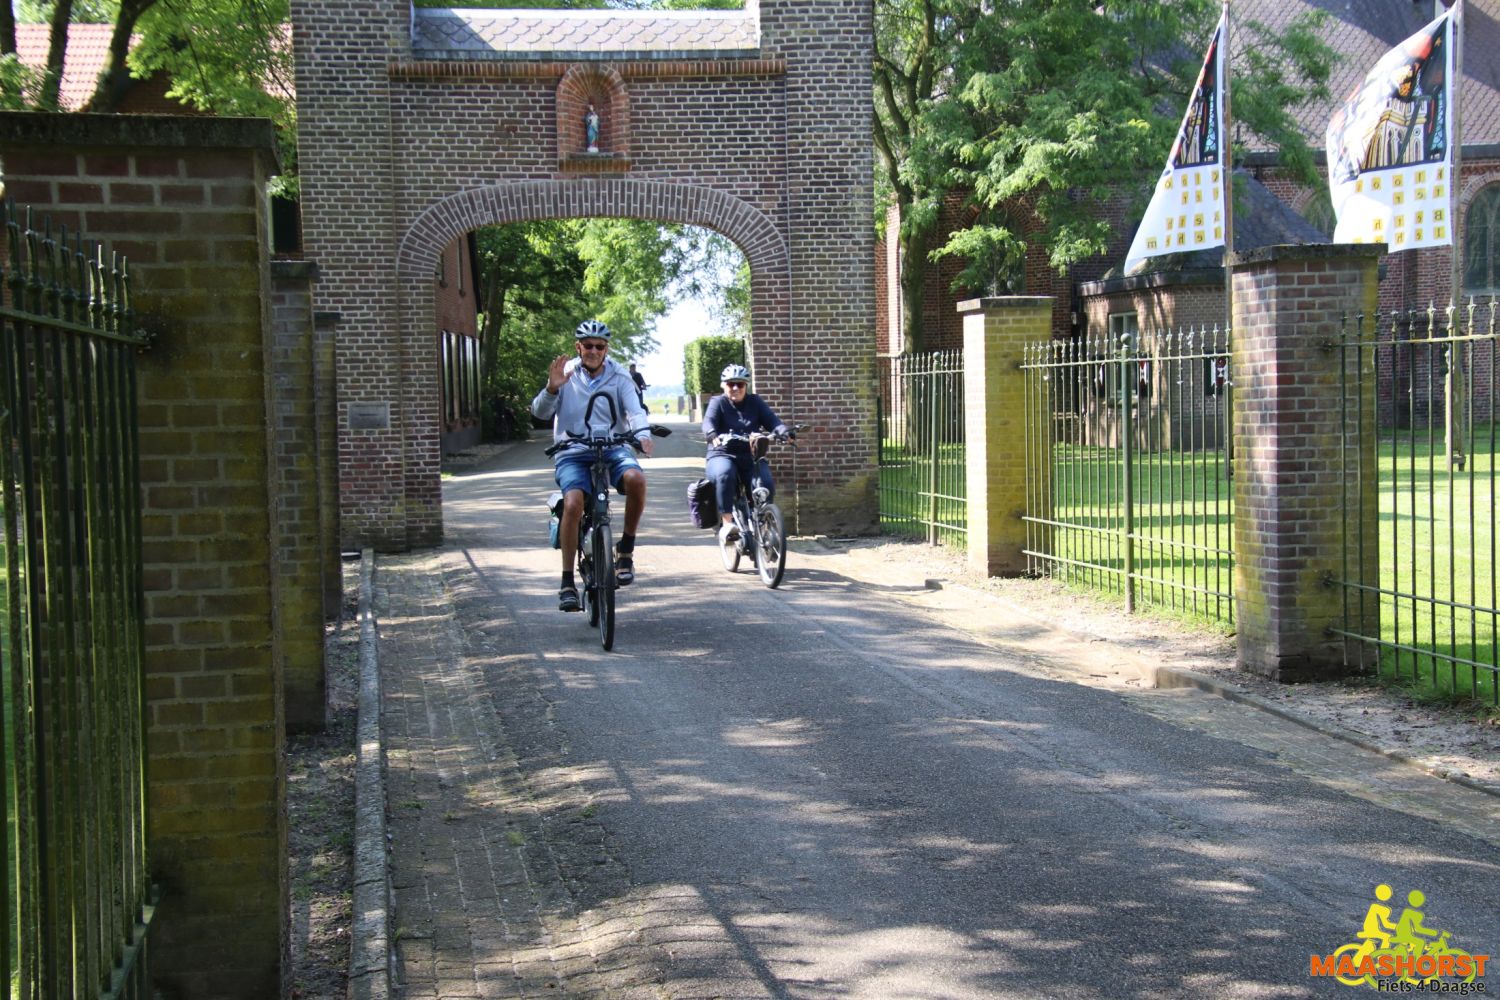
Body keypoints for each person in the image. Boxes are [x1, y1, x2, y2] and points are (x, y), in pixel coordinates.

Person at [531, 319, 653, 612]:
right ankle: (567, 583)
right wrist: (551, 389)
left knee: (636, 479)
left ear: (606, 349)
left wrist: (643, 435)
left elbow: (635, 411)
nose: (594, 351)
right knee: (573, 504)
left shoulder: (620, 376)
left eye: (600, 346)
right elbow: (539, 413)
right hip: (572, 450)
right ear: (579, 347)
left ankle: (626, 550)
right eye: (588, 345)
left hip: (612, 447)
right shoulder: (566, 374)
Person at [702, 363, 790, 547]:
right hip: (722, 453)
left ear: (746, 386)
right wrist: (711, 433)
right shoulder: (718, 403)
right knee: (725, 474)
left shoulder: (755, 402)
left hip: (750, 455)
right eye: (731, 384)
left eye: (740, 384)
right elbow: (708, 421)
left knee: (765, 483)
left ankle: (764, 524)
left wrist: (783, 431)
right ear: (723, 385)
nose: (735, 388)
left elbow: (772, 420)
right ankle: (727, 525)